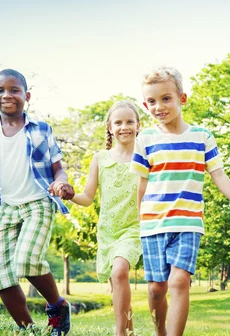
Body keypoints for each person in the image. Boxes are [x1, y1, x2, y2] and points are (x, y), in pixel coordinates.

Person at [130, 67, 230, 336]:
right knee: (156, 288)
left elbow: (219, 176)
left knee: (179, 281)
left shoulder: (202, 137)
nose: (158, 106)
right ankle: (159, 330)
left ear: (181, 99)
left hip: (188, 222)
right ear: (144, 104)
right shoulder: (145, 139)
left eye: (166, 98)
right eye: (151, 101)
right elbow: (142, 183)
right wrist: (139, 219)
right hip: (153, 225)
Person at [0, 69, 73, 335]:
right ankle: (29, 330)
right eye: (0, 90)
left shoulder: (41, 130)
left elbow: (58, 168)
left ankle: (58, 306)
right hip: (6, 208)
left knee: (27, 260)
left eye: (14, 90)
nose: (7, 95)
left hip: (38, 202)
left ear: (26, 96)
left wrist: (61, 182)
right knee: (0, 276)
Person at [72, 100, 142, 336]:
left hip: (135, 228)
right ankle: (130, 332)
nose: (124, 127)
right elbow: (87, 197)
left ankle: (119, 333)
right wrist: (70, 194)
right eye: (118, 122)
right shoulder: (100, 158)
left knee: (120, 272)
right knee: (118, 286)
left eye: (129, 121)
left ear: (138, 125)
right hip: (108, 231)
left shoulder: (146, 157)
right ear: (110, 127)